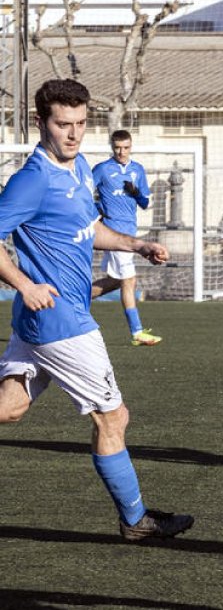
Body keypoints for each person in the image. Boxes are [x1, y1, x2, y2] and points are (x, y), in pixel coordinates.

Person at [0, 79, 193, 541]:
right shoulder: (33, 179)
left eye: (81, 124)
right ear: (40, 122)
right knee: (113, 417)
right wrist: (24, 284)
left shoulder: (81, 167)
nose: (73, 134)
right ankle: (135, 520)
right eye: (63, 124)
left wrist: (136, 243)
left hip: (43, 321)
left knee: (10, 407)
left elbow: (88, 229)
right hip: (61, 322)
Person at [90, 129, 161, 346]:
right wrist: (97, 210)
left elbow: (146, 203)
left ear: (131, 147)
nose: (121, 152)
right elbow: (83, 196)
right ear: (112, 147)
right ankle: (137, 331)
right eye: (117, 147)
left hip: (130, 231)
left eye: (126, 147)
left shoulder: (137, 170)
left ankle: (71, 299)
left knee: (116, 280)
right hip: (113, 233)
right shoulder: (101, 170)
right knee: (129, 280)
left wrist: (136, 192)